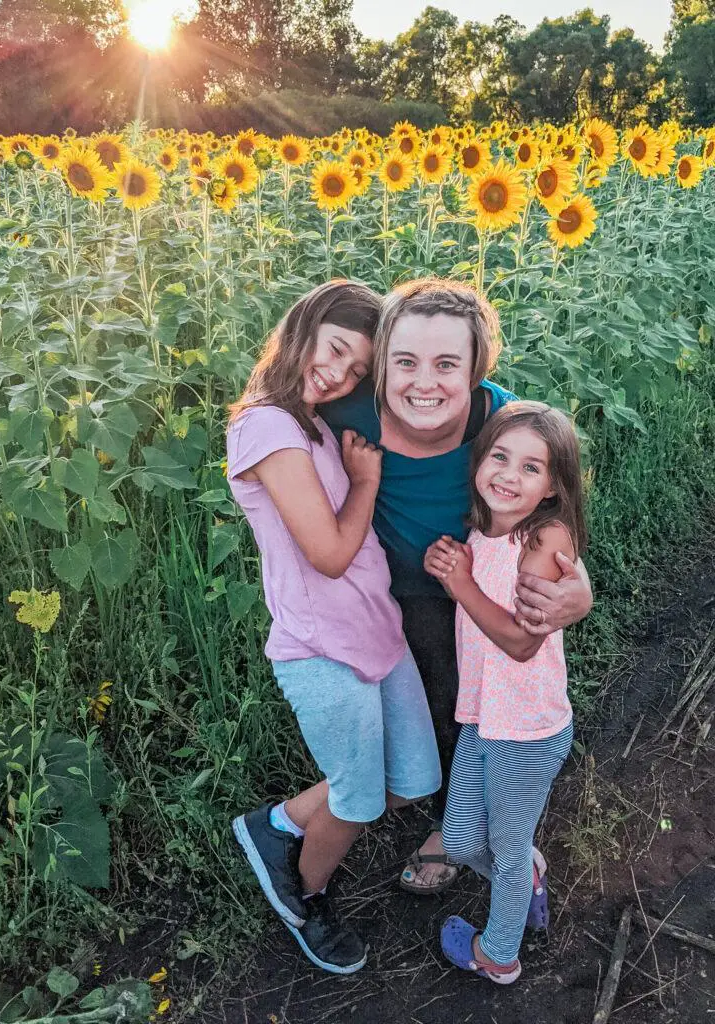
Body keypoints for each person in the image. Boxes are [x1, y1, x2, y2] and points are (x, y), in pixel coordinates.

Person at [320, 277, 593, 893]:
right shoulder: (348, 414)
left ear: (476, 371)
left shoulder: (502, 421)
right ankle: (455, 801)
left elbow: (554, 508)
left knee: (488, 696)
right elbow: (281, 407)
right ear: (379, 365)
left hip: (491, 582)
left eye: (448, 364)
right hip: (400, 587)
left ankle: (475, 824)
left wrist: (582, 591)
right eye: (405, 362)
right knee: (440, 695)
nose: (424, 383)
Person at [226, 281, 441, 975]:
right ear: (307, 325)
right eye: (338, 350)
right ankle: (304, 900)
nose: (340, 375)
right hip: (319, 648)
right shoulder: (264, 425)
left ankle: (278, 825)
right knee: (357, 798)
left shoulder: (313, 423)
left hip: (378, 633)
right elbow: (326, 553)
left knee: (412, 780)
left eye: (356, 370)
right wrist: (368, 485)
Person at [424, 401, 587, 984]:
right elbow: (479, 605)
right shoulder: (483, 528)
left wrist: (459, 581)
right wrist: (456, 567)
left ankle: (500, 956)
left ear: (552, 486)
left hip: (528, 728)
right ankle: (527, 880)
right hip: (482, 717)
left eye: (531, 467)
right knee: (464, 839)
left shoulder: (547, 536)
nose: (508, 475)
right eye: (500, 456)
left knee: (508, 843)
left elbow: (520, 643)